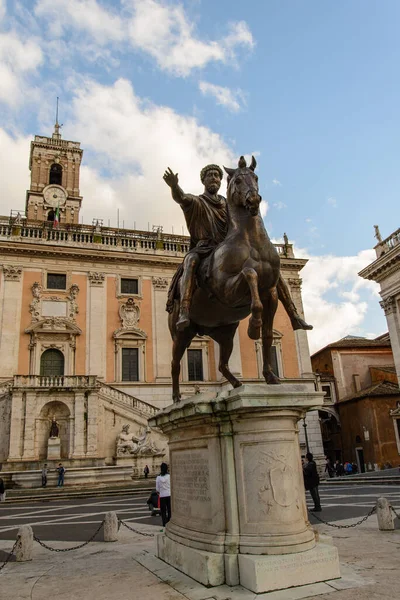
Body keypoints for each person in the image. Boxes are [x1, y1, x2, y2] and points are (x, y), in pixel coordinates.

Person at [163, 164, 312, 333]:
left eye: (216, 175)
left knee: (271, 269)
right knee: (190, 260)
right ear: (203, 180)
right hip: (205, 248)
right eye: (209, 175)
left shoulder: (229, 205)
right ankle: (184, 309)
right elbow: (181, 198)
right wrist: (174, 186)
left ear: (221, 181)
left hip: (229, 249)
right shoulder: (198, 201)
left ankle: (294, 315)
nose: (213, 178)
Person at [156, 462, 171, 527]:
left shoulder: (158, 478)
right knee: (169, 509)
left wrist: (159, 491)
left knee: (163, 510)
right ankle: (170, 520)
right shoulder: (169, 476)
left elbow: (157, 488)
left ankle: (164, 522)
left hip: (162, 495)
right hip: (169, 494)